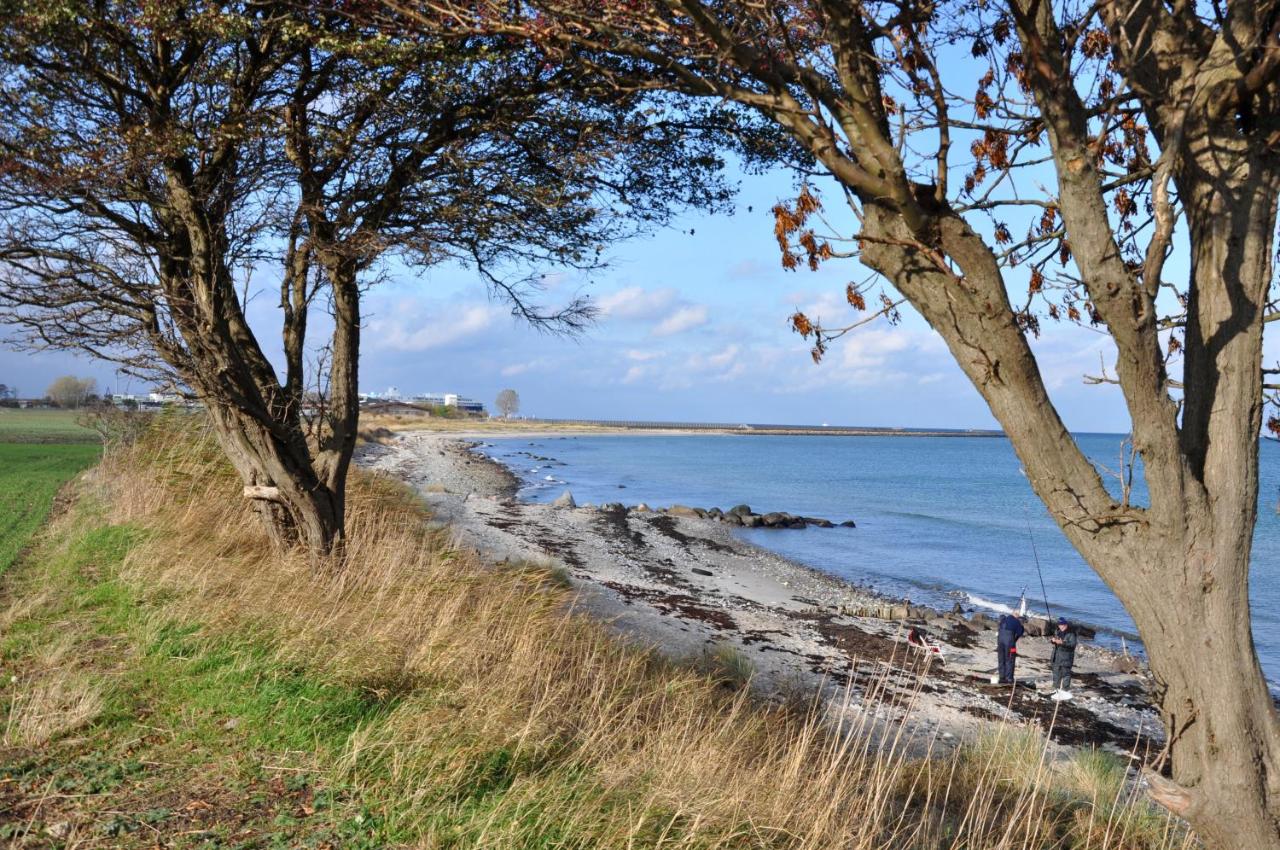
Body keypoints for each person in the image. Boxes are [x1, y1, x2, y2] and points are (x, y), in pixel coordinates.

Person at [1049, 617, 1078, 701]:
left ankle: (1065, 690)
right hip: (1056, 655)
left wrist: (1062, 643)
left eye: (1062, 624)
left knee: (1066, 674)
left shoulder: (1071, 634)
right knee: (1056, 672)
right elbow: (1054, 641)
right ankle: (1056, 689)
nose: (1060, 626)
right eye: (1059, 624)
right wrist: (1053, 640)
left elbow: (1072, 645)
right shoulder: (1057, 631)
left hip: (1066, 657)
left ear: (1065, 624)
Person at [996, 612, 1024, 684]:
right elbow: (1020, 633)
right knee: (1010, 659)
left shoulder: (1004, 619)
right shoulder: (1016, 621)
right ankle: (1009, 679)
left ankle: (1002, 677)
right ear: (1017, 617)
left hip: (1000, 642)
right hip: (1009, 643)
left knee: (1001, 659)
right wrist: (1022, 626)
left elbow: (999, 630)